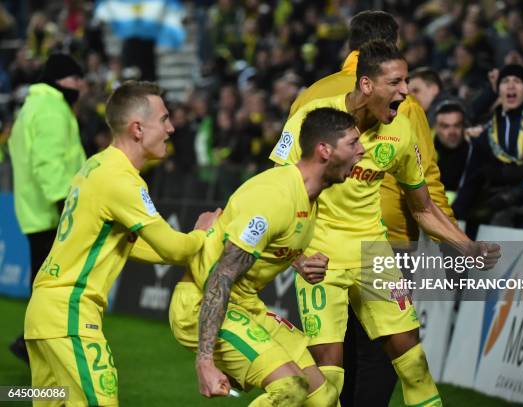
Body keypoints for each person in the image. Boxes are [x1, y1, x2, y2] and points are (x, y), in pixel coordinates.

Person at [271, 40, 500, 407]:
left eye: (406, 81)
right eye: (395, 82)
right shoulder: (312, 118)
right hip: (320, 259)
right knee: (328, 379)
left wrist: (465, 246)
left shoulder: (402, 132)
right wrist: (295, 254)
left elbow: (423, 206)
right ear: (366, 85)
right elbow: (277, 191)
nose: (405, 91)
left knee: (414, 367)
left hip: (374, 256)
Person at [288, 11, 457, 406]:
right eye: (397, 81)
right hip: (366, 245)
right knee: (375, 363)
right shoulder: (402, 105)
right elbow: (427, 176)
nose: (403, 90)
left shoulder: (308, 95)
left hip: (348, 249)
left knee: (350, 365)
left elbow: (287, 180)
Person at [23, 81, 218, 406]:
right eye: (164, 119)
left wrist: (181, 250)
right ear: (137, 128)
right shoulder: (122, 180)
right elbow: (172, 247)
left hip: (44, 312)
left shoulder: (95, 166)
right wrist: (203, 233)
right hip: (70, 313)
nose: (171, 128)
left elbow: (127, 245)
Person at [169, 107, 365, 406]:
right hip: (202, 304)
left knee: (323, 396)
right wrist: (205, 360)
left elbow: (273, 245)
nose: (362, 151)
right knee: (291, 388)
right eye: (353, 143)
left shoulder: (311, 195)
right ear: (324, 150)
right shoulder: (275, 196)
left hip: (246, 306)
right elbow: (221, 275)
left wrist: (300, 262)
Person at [7, 53, 86, 364]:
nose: (81, 85)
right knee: (52, 287)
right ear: (61, 79)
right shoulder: (52, 108)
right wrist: (65, 203)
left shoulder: (33, 106)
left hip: (34, 210)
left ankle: (33, 344)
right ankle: (34, 344)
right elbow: (48, 163)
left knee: (44, 284)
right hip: (52, 212)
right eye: (76, 79)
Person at [453, 64, 523, 232]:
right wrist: (453, 216)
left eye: (517, 81)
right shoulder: (489, 130)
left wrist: (521, 192)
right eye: (505, 81)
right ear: (498, 90)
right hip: (501, 217)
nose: (511, 85)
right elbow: (471, 177)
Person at [432, 101, 470, 202]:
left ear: (463, 127)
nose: (452, 132)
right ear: (436, 128)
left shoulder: (474, 150)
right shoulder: (423, 151)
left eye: (457, 125)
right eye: (445, 126)